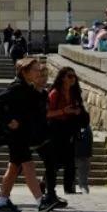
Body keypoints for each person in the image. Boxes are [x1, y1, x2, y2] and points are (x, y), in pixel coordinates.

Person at [0, 57, 58, 212]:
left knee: (14, 168)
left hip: (23, 134)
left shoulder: (29, 88)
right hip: (15, 135)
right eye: (35, 69)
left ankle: (2, 201)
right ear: (25, 72)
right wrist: (9, 121)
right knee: (28, 166)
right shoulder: (17, 87)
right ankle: (40, 201)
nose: (38, 72)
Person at [44, 67, 82, 199]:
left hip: (69, 128)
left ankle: (69, 188)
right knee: (56, 160)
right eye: (70, 76)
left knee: (70, 159)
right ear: (62, 78)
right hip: (55, 128)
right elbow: (47, 114)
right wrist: (64, 111)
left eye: (74, 76)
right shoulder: (55, 93)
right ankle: (45, 185)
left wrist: (77, 111)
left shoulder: (74, 93)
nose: (73, 79)